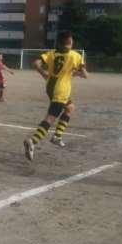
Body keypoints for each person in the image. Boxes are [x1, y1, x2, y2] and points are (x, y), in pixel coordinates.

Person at [23, 31, 87, 161]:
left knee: (70, 108)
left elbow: (36, 63)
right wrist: (78, 72)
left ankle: (57, 136)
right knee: (51, 118)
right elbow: (85, 74)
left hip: (50, 86)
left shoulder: (52, 53)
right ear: (70, 42)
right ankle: (32, 141)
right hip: (61, 90)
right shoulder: (75, 56)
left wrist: (44, 74)